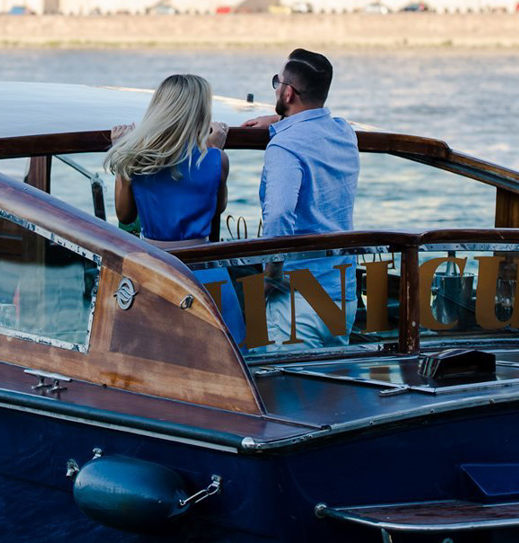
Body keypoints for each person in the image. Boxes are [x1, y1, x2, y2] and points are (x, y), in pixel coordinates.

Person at [254, 48, 359, 346]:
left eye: (278, 82)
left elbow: (278, 215)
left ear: (288, 93)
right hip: (342, 292)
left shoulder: (285, 148)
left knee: (290, 389)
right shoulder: (344, 133)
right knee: (331, 388)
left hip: (298, 296)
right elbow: (312, 123)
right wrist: (277, 120)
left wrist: (272, 274)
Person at [107, 74, 230, 248]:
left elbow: (125, 216)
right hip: (204, 262)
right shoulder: (218, 159)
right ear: (201, 112)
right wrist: (215, 150)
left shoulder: (136, 157)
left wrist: (122, 154)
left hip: (156, 264)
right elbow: (217, 208)